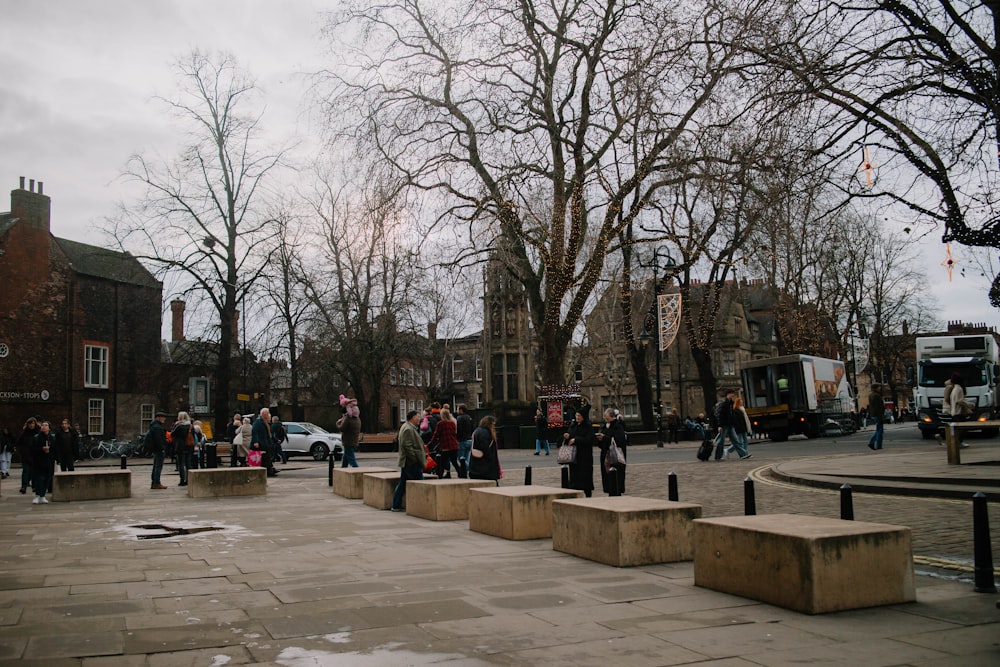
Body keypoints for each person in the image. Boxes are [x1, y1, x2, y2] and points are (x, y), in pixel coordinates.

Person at [391, 410, 425, 511]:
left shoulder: (408, 427)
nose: (419, 419)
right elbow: (407, 446)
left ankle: (396, 505)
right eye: (418, 417)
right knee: (421, 484)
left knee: (402, 483)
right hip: (410, 462)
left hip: (407, 462)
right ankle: (422, 505)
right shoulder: (408, 429)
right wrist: (414, 459)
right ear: (413, 417)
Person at [563, 404, 596, 497]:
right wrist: (567, 437)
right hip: (574, 456)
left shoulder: (588, 426)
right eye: (576, 415)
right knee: (574, 477)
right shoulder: (573, 425)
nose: (577, 417)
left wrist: (576, 440)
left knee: (585, 477)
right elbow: (570, 436)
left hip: (584, 456)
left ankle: (588, 494)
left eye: (579, 416)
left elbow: (590, 439)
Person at [597, 408, 627, 495]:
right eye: (605, 418)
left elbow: (620, 440)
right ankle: (608, 489)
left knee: (616, 474)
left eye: (607, 418)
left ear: (612, 417)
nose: (606, 420)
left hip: (615, 454)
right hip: (605, 453)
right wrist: (600, 439)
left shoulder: (618, 425)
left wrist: (605, 437)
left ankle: (617, 491)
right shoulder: (604, 426)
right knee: (606, 474)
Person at [429, 407, 464, 478]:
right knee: (454, 462)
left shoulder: (440, 424)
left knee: (442, 462)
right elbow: (454, 433)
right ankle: (460, 474)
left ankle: (440, 475)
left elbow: (436, 434)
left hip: (445, 445)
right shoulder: (452, 423)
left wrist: (430, 443)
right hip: (454, 445)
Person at [469, 415, 501, 483]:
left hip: (476, 465)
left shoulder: (477, 430)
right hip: (486, 468)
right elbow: (486, 448)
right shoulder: (486, 433)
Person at [713, 390, 743, 460]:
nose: (733, 395)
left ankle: (743, 454)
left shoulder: (731, 403)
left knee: (735, 440)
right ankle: (718, 456)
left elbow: (732, 414)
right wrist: (720, 425)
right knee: (721, 441)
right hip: (724, 425)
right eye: (732, 394)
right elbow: (720, 415)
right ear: (728, 394)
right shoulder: (724, 403)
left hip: (730, 424)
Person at [30, 421, 55, 504]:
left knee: (47, 479)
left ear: (49, 428)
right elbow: (32, 449)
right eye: (43, 425)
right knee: (40, 479)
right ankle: (37, 495)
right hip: (39, 461)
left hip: (49, 462)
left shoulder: (52, 437)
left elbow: (56, 449)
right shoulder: (36, 438)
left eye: (46, 425)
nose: (44, 427)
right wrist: (41, 449)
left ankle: (42, 495)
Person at [251, 407, 278, 477]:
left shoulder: (264, 422)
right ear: (263, 414)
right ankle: (268, 471)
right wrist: (256, 441)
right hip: (261, 443)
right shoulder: (258, 422)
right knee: (264, 458)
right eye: (267, 413)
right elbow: (255, 432)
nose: (268, 414)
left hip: (265, 443)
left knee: (267, 458)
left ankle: (269, 470)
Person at [16, 416, 40, 495]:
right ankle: (24, 486)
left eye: (32, 423)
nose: (31, 425)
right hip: (25, 455)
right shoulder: (24, 433)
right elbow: (19, 443)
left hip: (35, 455)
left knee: (34, 472)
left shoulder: (38, 433)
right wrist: (21, 452)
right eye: (29, 424)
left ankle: (34, 486)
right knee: (26, 471)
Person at [146, 411, 169, 489]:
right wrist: (163, 448)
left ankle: (154, 482)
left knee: (155, 466)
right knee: (158, 466)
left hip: (155, 449)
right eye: (163, 418)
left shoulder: (153, 426)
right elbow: (158, 440)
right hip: (159, 449)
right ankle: (157, 482)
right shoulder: (158, 428)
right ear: (158, 418)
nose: (164, 419)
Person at [171, 411, 194, 486]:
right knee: (188, 464)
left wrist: (175, 425)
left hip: (180, 447)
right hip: (189, 446)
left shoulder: (179, 426)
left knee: (181, 464)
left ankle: (182, 480)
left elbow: (172, 434)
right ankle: (189, 480)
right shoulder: (190, 426)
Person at [338, 404, 361, 468]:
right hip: (354, 441)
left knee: (352, 460)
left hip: (348, 441)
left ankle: (357, 471)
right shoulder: (358, 419)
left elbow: (342, 428)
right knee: (345, 458)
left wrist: (338, 423)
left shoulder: (348, 419)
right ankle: (343, 469)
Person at [455, 404, 474, 471]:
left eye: (457, 409)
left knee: (460, 458)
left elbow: (458, 429)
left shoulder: (459, 418)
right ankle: (466, 471)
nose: (456, 410)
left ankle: (470, 469)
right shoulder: (469, 417)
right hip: (469, 439)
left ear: (461, 410)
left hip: (462, 440)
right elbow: (472, 428)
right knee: (466, 458)